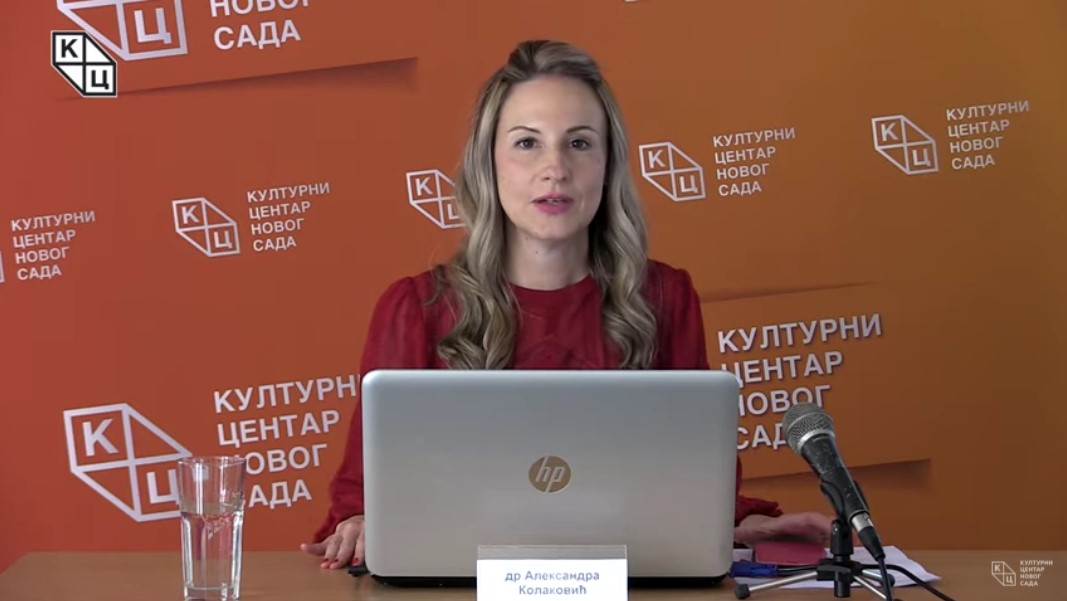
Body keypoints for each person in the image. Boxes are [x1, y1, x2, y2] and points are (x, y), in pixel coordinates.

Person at [301, 39, 833, 570]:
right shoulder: (417, 307)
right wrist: (361, 522)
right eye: (527, 143)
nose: (555, 168)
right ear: (489, 164)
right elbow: (363, 494)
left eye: (579, 143)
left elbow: (690, 484)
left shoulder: (665, 298)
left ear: (608, 165)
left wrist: (736, 525)